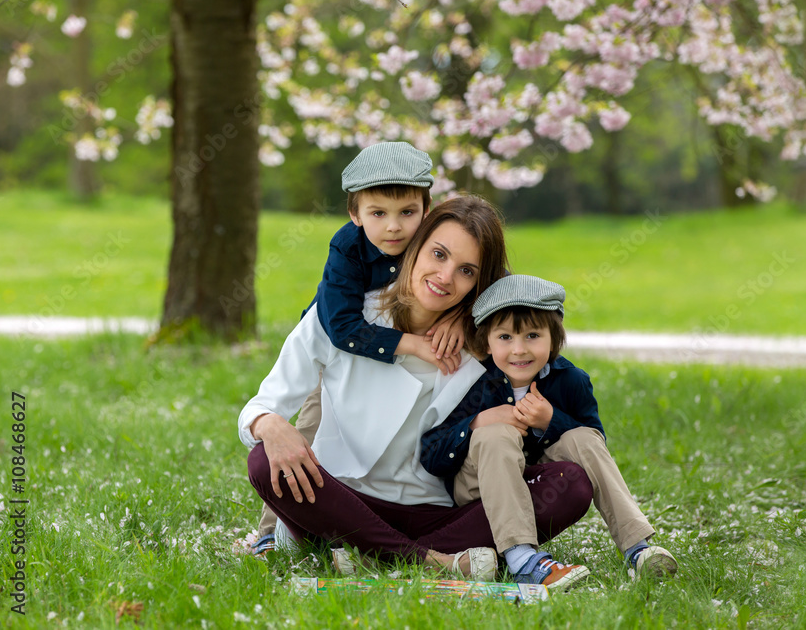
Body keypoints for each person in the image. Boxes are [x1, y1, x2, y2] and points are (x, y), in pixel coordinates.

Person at [239, 200, 594, 580]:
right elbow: (261, 406)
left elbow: (546, 372)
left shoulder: (488, 345)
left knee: (569, 484)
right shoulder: (344, 317)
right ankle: (429, 561)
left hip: (440, 512)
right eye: (438, 254)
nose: (444, 277)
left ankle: (369, 553)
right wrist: (269, 424)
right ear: (415, 244)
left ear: (480, 283)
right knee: (264, 461)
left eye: (466, 271)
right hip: (345, 500)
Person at [251, 142, 466, 556]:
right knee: (304, 433)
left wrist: (460, 315)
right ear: (355, 215)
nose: (394, 227)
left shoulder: (437, 238)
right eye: (378, 214)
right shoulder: (347, 247)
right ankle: (270, 531)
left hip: (386, 352)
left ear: (427, 208)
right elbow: (343, 327)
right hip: (334, 345)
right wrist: (412, 345)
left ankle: (396, 519)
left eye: (407, 212)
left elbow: (484, 274)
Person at [420, 274, 678, 589]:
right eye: (505, 337)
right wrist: (477, 421)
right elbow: (432, 455)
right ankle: (522, 559)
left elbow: (594, 447)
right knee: (497, 433)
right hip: (478, 487)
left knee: (582, 436)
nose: (518, 350)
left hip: (537, 483)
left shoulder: (571, 381)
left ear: (553, 339)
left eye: (532, 335)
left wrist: (550, 421)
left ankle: (637, 547)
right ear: (486, 340)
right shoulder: (473, 383)